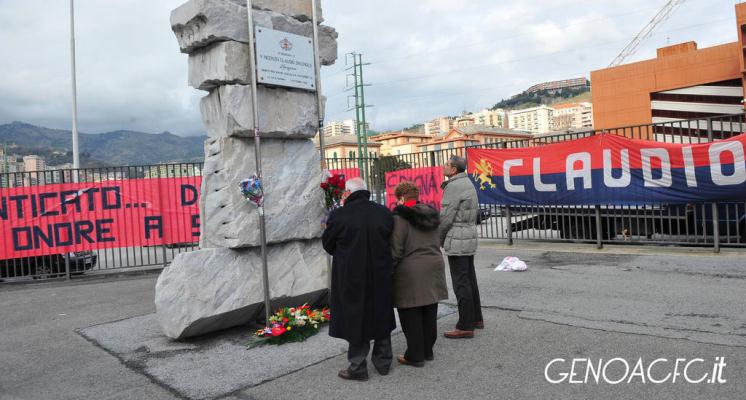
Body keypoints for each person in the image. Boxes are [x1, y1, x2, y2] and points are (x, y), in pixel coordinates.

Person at [322, 177, 396, 381]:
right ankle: (383, 362)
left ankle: (357, 366)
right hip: (380, 273)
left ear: (347, 193)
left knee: (356, 317)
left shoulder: (339, 215)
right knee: (381, 313)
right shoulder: (383, 212)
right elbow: (392, 240)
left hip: (351, 276)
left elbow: (328, 245)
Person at [390, 182, 448, 367]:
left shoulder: (400, 219)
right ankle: (427, 351)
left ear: (400, 198)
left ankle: (414, 355)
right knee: (430, 310)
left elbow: (396, 249)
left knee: (410, 312)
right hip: (434, 265)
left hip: (411, 271)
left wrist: (388, 269)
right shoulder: (431, 214)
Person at [439, 155, 484, 339]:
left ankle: (465, 325)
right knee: (469, 279)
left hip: (457, 238)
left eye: (447, 164)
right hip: (468, 236)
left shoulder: (454, 186)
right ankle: (476, 319)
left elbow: (446, 217)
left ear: (454, 169)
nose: (444, 166)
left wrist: (438, 239)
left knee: (461, 282)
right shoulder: (467, 182)